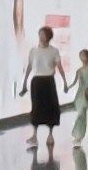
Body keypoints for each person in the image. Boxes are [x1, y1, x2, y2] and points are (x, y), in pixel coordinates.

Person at [21, 24, 66, 158]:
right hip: (37, 81)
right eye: (39, 34)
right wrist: (24, 83)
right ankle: (34, 135)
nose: (41, 37)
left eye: (43, 34)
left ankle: (50, 135)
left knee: (51, 107)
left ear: (48, 37)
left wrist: (64, 82)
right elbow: (29, 66)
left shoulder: (54, 51)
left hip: (48, 81)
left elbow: (59, 66)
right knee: (36, 108)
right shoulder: (33, 50)